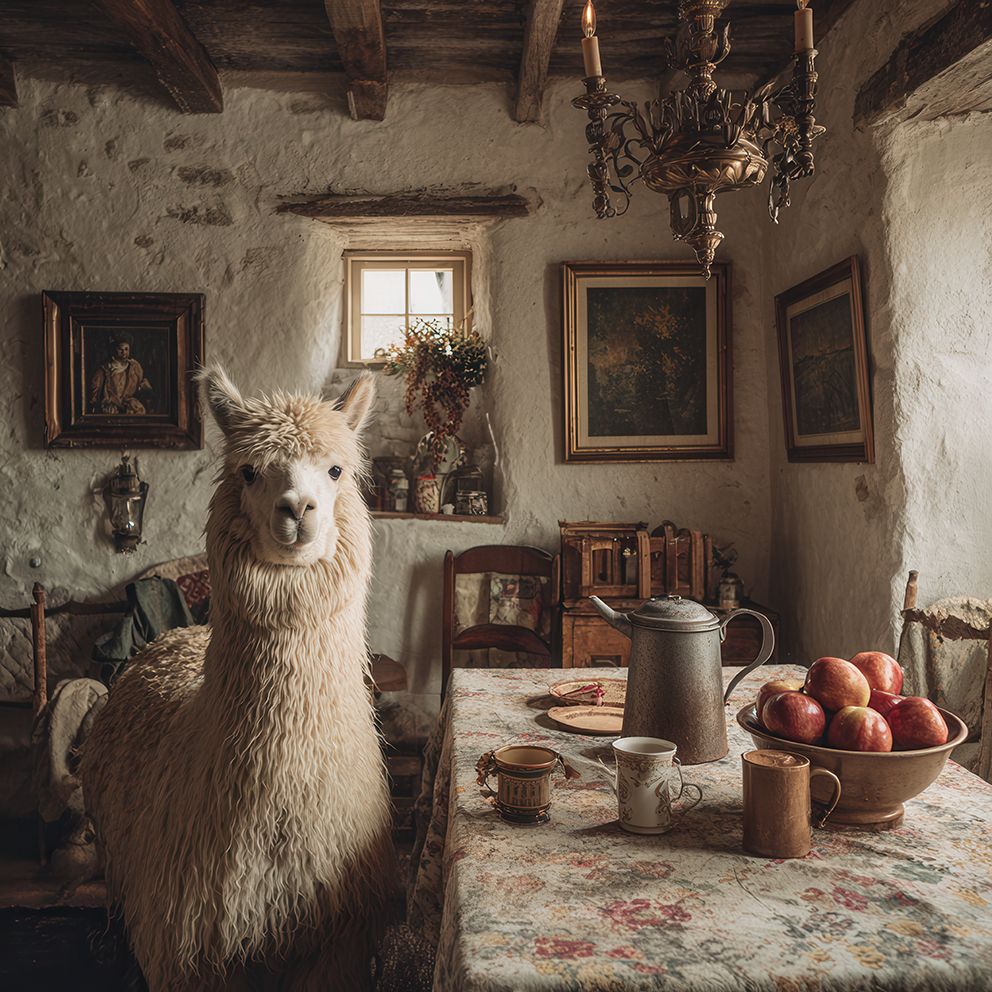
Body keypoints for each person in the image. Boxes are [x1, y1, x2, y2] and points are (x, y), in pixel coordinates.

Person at [90, 332, 153, 415]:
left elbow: (139, 387)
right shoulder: (105, 369)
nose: (124, 352)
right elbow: (96, 393)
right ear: (115, 349)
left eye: (126, 349)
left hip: (128, 405)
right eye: (121, 349)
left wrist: (146, 388)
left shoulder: (134, 367)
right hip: (111, 406)